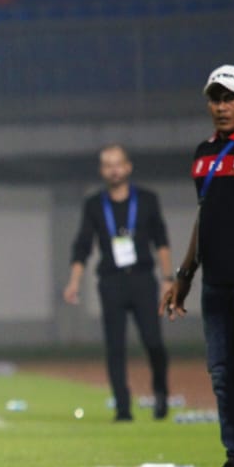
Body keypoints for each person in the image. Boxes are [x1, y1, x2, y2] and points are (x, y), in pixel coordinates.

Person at [163, 64, 234, 467]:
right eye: (215, 98)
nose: (221, 106)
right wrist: (185, 273)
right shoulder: (204, 154)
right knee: (222, 373)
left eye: (230, 98)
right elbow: (205, 219)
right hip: (216, 282)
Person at [63, 144, 172, 421]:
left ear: (128, 167)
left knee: (153, 341)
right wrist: (74, 281)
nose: (113, 169)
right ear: (102, 170)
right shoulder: (94, 204)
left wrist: (168, 279)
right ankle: (122, 408)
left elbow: (160, 240)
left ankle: (161, 392)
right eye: (107, 165)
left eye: (118, 163)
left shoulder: (147, 200)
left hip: (143, 279)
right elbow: (83, 245)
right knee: (115, 346)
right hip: (111, 281)